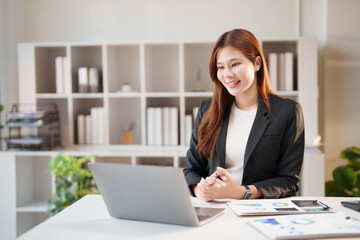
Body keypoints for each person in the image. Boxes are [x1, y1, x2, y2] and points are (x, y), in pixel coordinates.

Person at [183, 29, 304, 201]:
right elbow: (191, 170)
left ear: (257, 63)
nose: (227, 74)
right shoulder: (207, 109)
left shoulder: (288, 111)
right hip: (215, 209)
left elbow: (289, 181)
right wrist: (199, 189)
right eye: (221, 67)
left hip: (260, 212)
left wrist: (241, 192)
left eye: (235, 64)